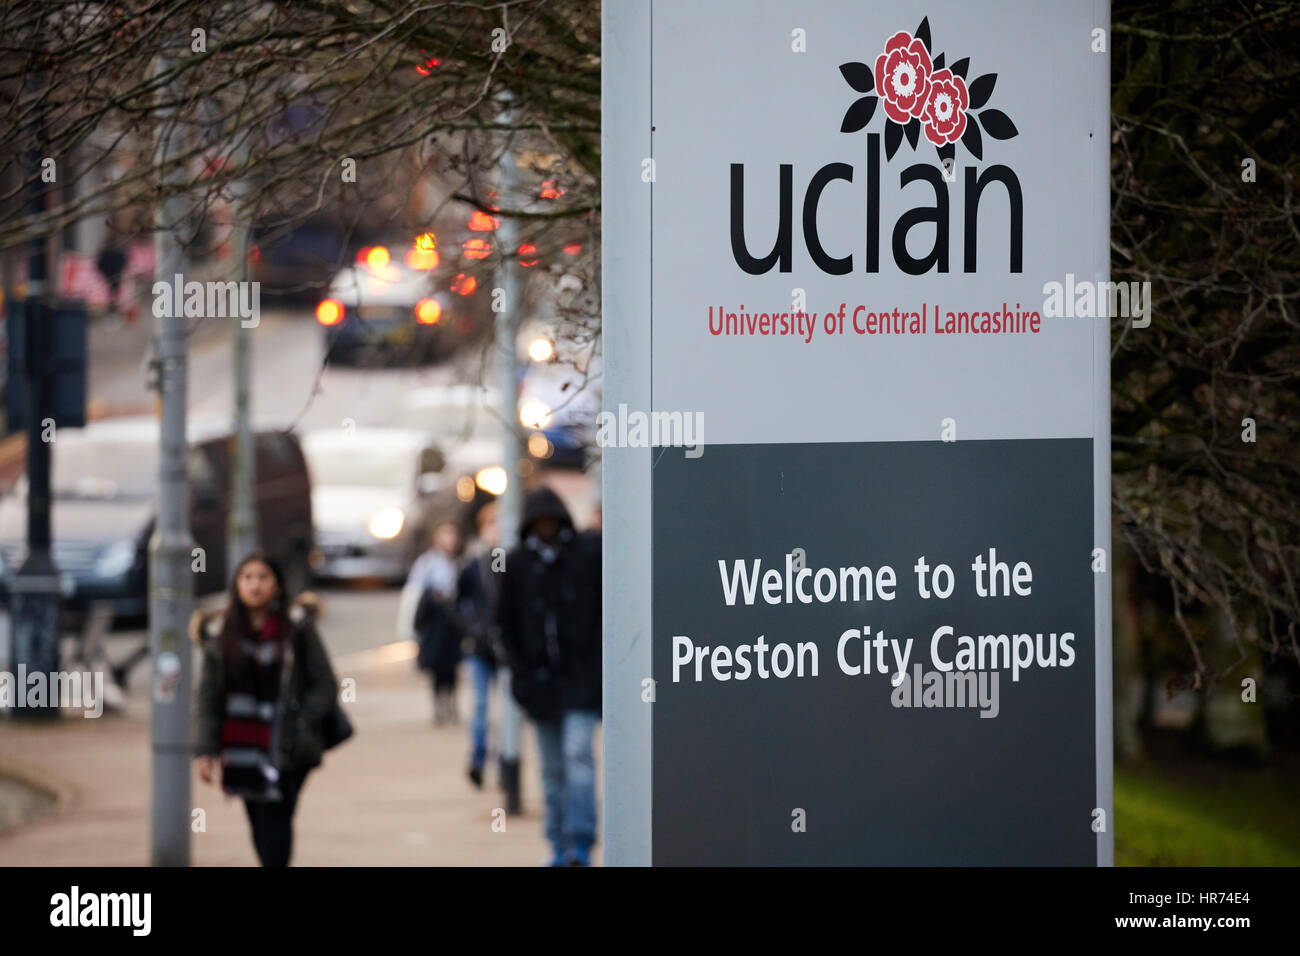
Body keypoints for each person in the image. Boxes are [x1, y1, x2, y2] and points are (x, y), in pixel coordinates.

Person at [192, 552, 339, 867]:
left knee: (275, 819)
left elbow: (325, 683)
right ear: (237, 584)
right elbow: (208, 696)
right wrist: (205, 749)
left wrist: (301, 721)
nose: (255, 585)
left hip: (288, 746)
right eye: (247, 577)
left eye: (263, 577)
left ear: (277, 585)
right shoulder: (220, 633)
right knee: (258, 821)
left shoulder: (297, 627)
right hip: (241, 746)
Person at [498, 487, 602, 866]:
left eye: (551, 522)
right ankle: (558, 844)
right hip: (540, 688)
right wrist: (522, 676)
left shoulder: (586, 557)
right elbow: (506, 626)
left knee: (578, 758)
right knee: (552, 769)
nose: (545, 528)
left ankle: (581, 844)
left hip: (582, 683)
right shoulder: (516, 566)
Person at [408, 521, 463, 724]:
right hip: (435, 621)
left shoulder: (459, 563)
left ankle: (450, 702)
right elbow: (415, 589)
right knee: (436, 666)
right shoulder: (427, 562)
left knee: (452, 666)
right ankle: (438, 704)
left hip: (453, 622)